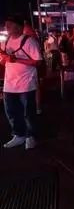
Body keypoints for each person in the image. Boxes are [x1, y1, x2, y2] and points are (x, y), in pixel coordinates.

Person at [0, 15, 43, 149]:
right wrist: (4, 58)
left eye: (10, 24)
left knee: (27, 113)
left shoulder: (29, 41)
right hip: (9, 84)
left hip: (26, 83)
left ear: (18, 27)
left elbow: (38, 61)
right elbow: (2, 58)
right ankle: (19, 135)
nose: (7, 27)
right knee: (11, 112)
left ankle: (31, 136)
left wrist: (16, 60)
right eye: (6, 24)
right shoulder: (5, 42)